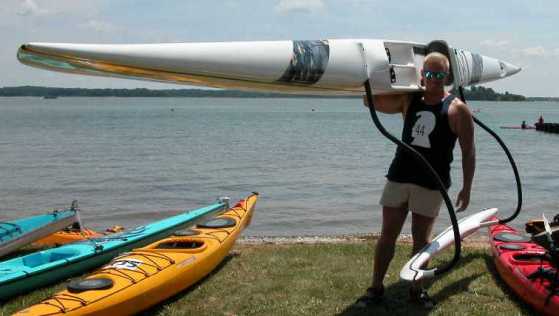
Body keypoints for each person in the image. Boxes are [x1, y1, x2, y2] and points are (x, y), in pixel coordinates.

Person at [358, 52, 476, 309]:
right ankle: (376, 288)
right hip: (399, 176)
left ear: (447, 77)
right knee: (387, 235)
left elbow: (468, 152)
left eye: (440, 75)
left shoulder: (458, 109)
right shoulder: (409, 100)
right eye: (430, 74)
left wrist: (467, 188)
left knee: (421, 240)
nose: (434, 80)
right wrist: (377, 75)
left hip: (431, 184)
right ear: (422, 75)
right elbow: (369, 102)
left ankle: (416, 289)